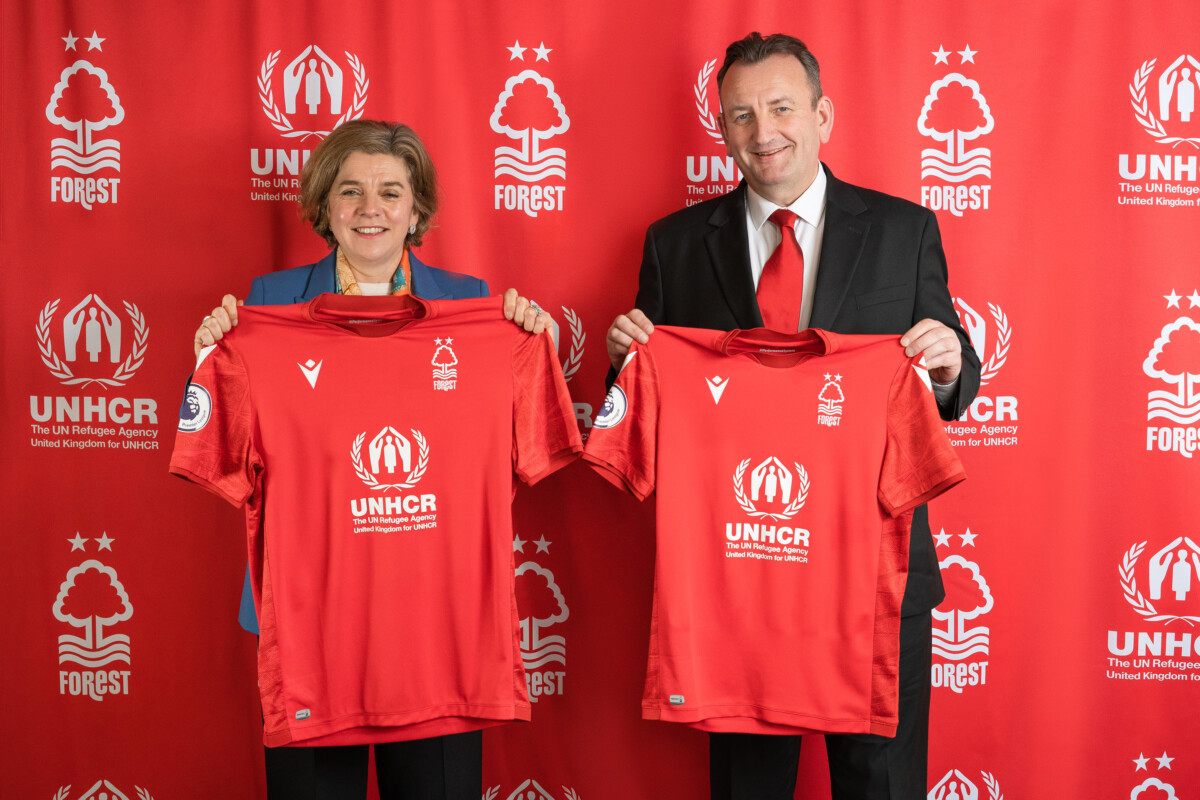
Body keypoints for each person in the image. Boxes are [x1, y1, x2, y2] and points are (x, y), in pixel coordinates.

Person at [605, 33, 981, 800]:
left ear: (823, 114)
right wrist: (622, 358)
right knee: (749, 787)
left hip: (876, 573)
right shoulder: (674, 246)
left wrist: (948, 366)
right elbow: (635, 402)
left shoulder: (905, 231)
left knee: (881, 783)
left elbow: (952, 383)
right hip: (740, 573)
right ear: (722, 128)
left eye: (780, 108)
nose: (761, 132)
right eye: (739, 115)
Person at [191, 119, 552, 800]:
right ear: (324, 204)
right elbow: (227, 447)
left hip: (437, 621)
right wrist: (209, 363)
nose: (370, 208)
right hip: (309, 619)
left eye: (391, 191)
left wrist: (535, 345)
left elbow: (523, 434)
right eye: (350, 190)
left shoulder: (477, 305)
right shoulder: (265, 304)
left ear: (417, 208)